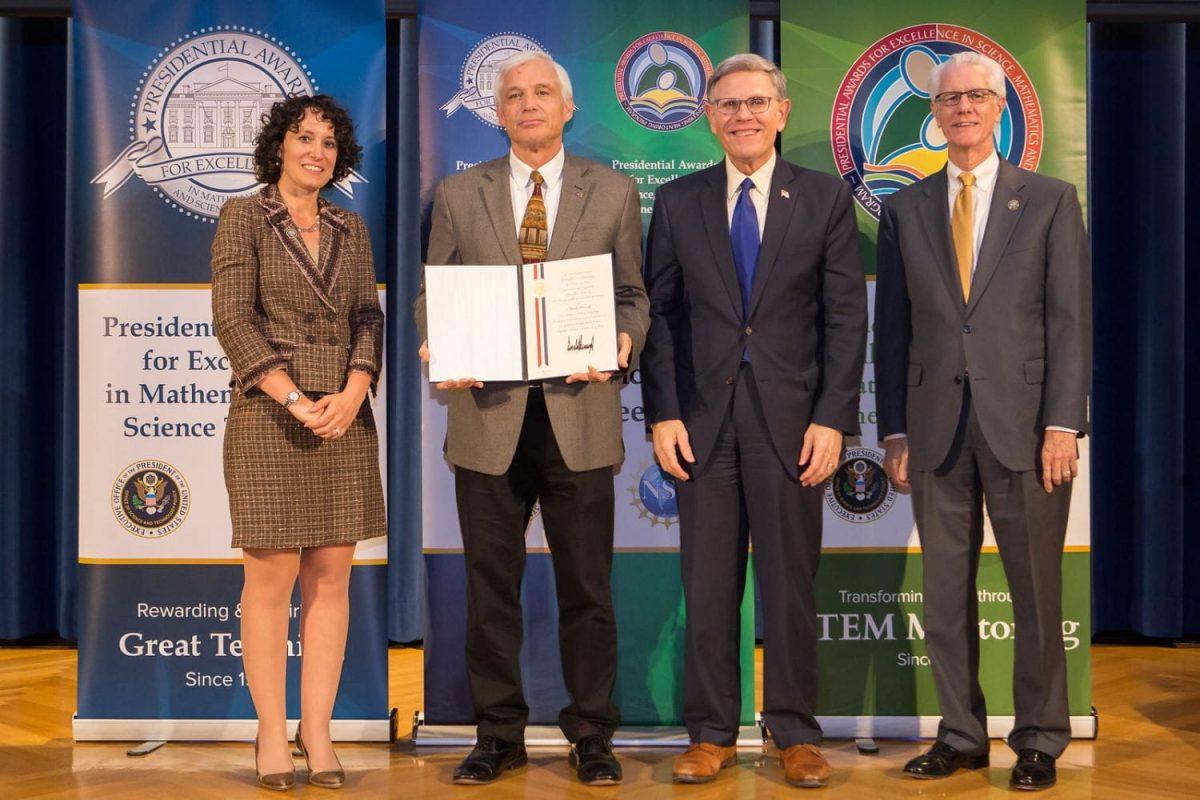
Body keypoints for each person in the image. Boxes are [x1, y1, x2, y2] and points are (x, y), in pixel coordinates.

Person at [413, 51, 649, 786]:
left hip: (579, 414)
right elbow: (435, 292)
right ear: (499, 111)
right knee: (491, 591)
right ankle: (498, 733)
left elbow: (633, 298)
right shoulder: (457, 193)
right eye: (514, 94)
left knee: (587, 589)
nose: (528, 104)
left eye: (543, 91)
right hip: (488, 416)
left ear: (568, 107)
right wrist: (437, 341)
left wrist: (621, 342)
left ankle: (592, 734)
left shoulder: (611, 191)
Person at [641, 53, 867, 788]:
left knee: (790, 586)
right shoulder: (677, 202)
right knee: (707, 590)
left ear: (781, 111)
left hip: (794, 426)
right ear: (708, 116)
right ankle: (711, 734)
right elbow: (662, 319)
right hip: (702, 426)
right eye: (728, 104)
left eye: (755, 102)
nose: (742, 114)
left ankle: (795, 732)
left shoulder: (827, 200)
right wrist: (663, 413)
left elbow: (844, 318)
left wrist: (834, 417)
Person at [874, 52, 1091, 791]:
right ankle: (961, 735)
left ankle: (1039, 739)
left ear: (1000, 108)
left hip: (1028, 430)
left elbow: (1069, 321)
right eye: (948, 98)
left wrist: (1064, 422)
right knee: (944, 596)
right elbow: (892, 330)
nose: (962, 107)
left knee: (1035, 594)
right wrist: (895, 429)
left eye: (976, 96)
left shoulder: (1052, 199)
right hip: (935, 429)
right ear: (933, 114)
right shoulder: (905, 209)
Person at [211, 94, 385, 791]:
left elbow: (368, 314)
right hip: (269, 415)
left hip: (344, 416)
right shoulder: (243, 217)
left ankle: (318, 731)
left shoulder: (352, 225)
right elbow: (233, 319)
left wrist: (355, 387)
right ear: (278, 146)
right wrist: (291, 396)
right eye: (304, 137)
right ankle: (271, 733)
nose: (317, 151)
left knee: (330, 582)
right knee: (270, 584)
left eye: (329, 142)